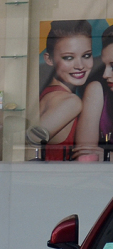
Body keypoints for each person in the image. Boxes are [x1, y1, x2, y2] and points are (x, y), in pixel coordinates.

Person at [33, 19, 93, 160]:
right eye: (68, 57)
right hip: (59, 179)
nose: (80, 65)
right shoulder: (70, 102)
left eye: (86, 55)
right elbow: (30, 141)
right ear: (49, 59)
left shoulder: (51, 94)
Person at [75, 24, 113, 161]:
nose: (105, 74)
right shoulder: (98, 90)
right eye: (104, 65)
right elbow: (86, 156)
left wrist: (107, 156)